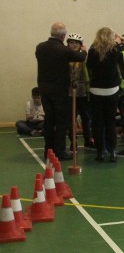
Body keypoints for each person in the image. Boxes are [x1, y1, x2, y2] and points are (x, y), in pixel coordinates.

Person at [35, 22, 87, 160]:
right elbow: (81, 57)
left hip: (44, 88)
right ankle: (60, 152)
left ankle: (48, 151)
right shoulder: (63, 50)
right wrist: (84, 50)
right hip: (59, 91)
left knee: (49, 120)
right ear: (63, 35)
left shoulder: (40, 47)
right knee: (61, 122)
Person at [86, 27, 123, 162]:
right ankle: (113, 151)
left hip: (96, 89)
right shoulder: (116, 50)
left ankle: (100, 152)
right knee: (110, 122)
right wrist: (118, 39)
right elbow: (121, 46)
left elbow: (89, 66)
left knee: (97, 122)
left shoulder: (92, 50)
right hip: (112, 89)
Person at [66, 33, 94, 149]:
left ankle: (88, 140)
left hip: (83, 93)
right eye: (71, 43)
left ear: (80, 45)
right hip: (69, 93)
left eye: (76, 43)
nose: (73, 45)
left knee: (86, 118)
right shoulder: (65, 57)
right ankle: (73, 142)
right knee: (71, 119)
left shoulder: (85, 58)